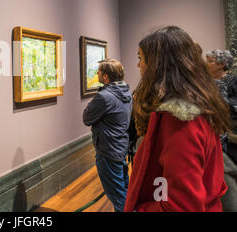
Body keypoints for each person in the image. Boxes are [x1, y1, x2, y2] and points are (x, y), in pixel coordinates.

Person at [124, 26, 230, 212]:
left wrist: (140, 209)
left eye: (141, 58)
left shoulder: (180, 121)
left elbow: (182, 206)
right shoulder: (198, 106)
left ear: (158, 65)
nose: (138, 65)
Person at [83, 59, 132, 212]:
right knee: (125, 191)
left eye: (98, 71)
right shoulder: (126, 92)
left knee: (118, 197)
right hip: (120, 148)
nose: (96, 73)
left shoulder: (104, 97)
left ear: (105, 77)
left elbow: (86, 118)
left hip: (108, 152)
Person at [205, 49, 237, 211]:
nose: (206, 63)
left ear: (222, 65)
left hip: (230, 135)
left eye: (210, 61)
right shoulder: (205, 83)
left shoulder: (233, 81)